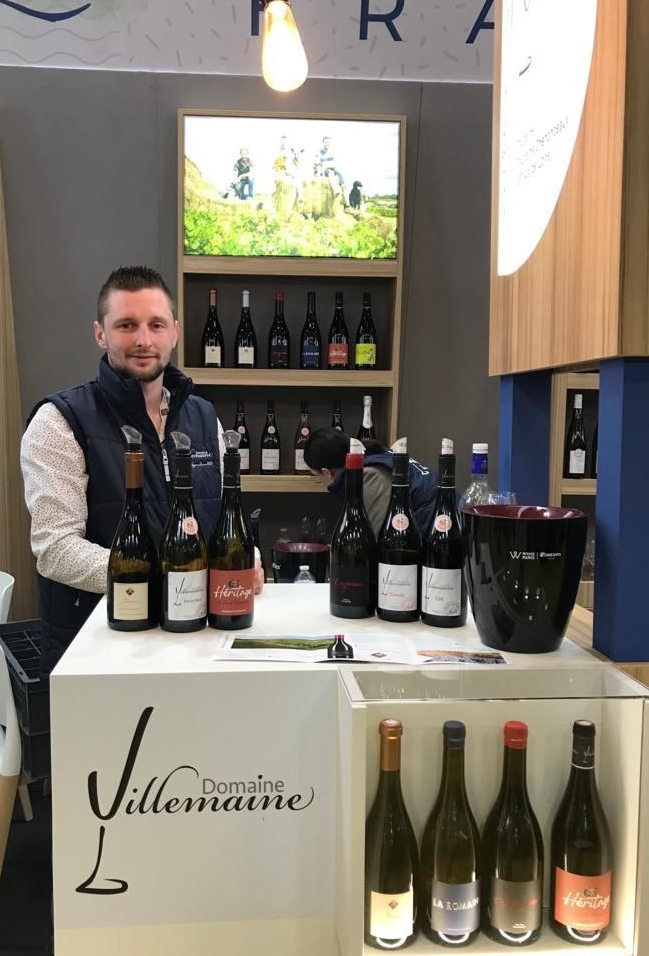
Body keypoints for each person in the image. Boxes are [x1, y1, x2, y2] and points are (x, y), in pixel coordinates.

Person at [21, 265, 263, 670]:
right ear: (100, 333)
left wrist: (246, 555)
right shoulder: (60, 420)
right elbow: (56, 549)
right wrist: (164, 575)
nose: (144, 340)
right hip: (101, 646)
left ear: (175, 333)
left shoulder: (204, 417)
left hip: (199, 642)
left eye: (156, 324)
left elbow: (223, 520)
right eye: (126, 325)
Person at [303, 427, 438, 537]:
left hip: (435, 531)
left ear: (326, 472)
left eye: (315, 475)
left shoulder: (369, 475)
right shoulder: (374, 456)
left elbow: (373, 538)